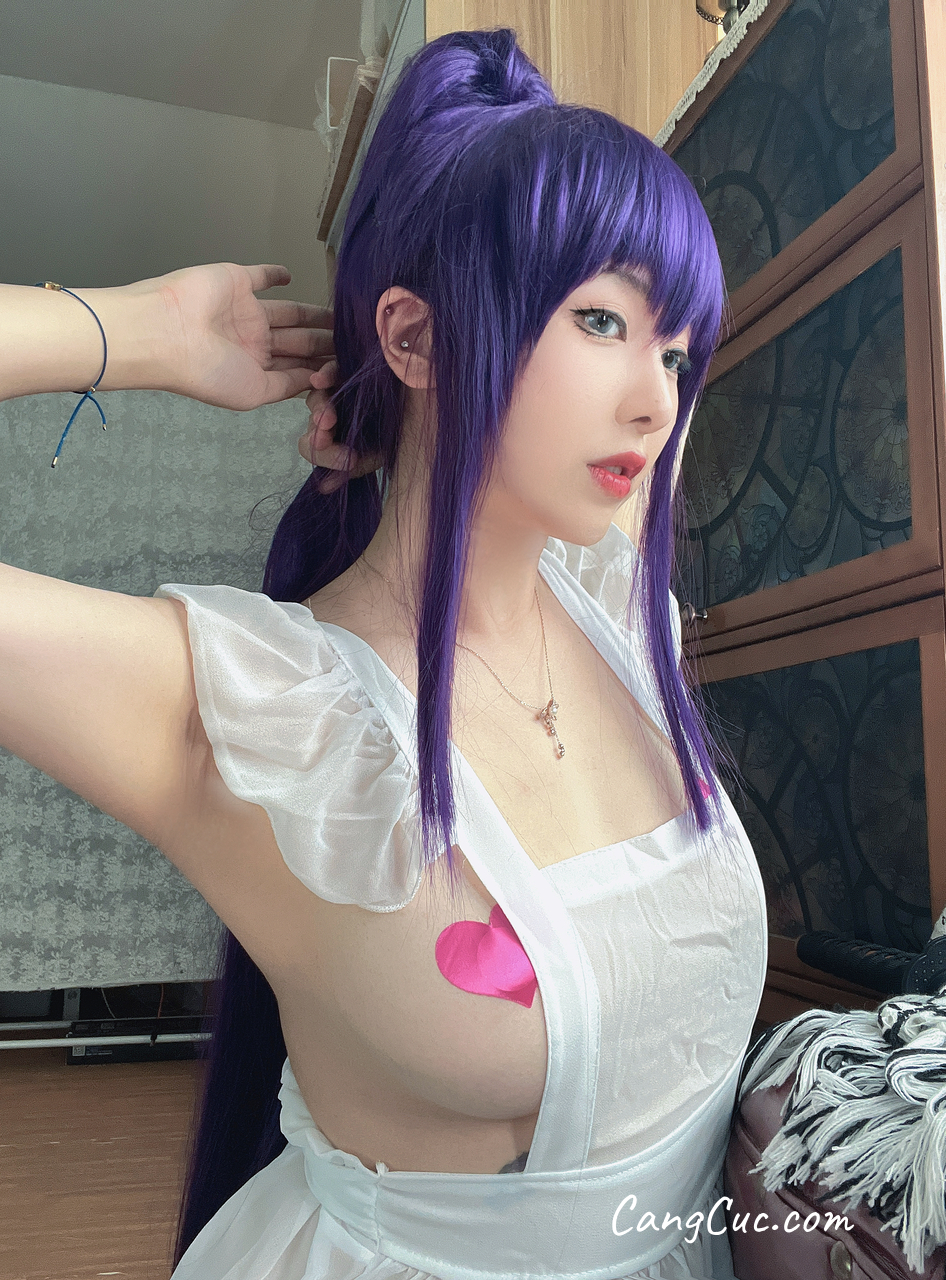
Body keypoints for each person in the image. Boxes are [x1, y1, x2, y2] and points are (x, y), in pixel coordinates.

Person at [0, 28, 767, 1280]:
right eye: (600, 318)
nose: (657, 398)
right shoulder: (261, 716)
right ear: (414, 338)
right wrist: (136, 331)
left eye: (676, 349)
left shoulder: (622, 607)